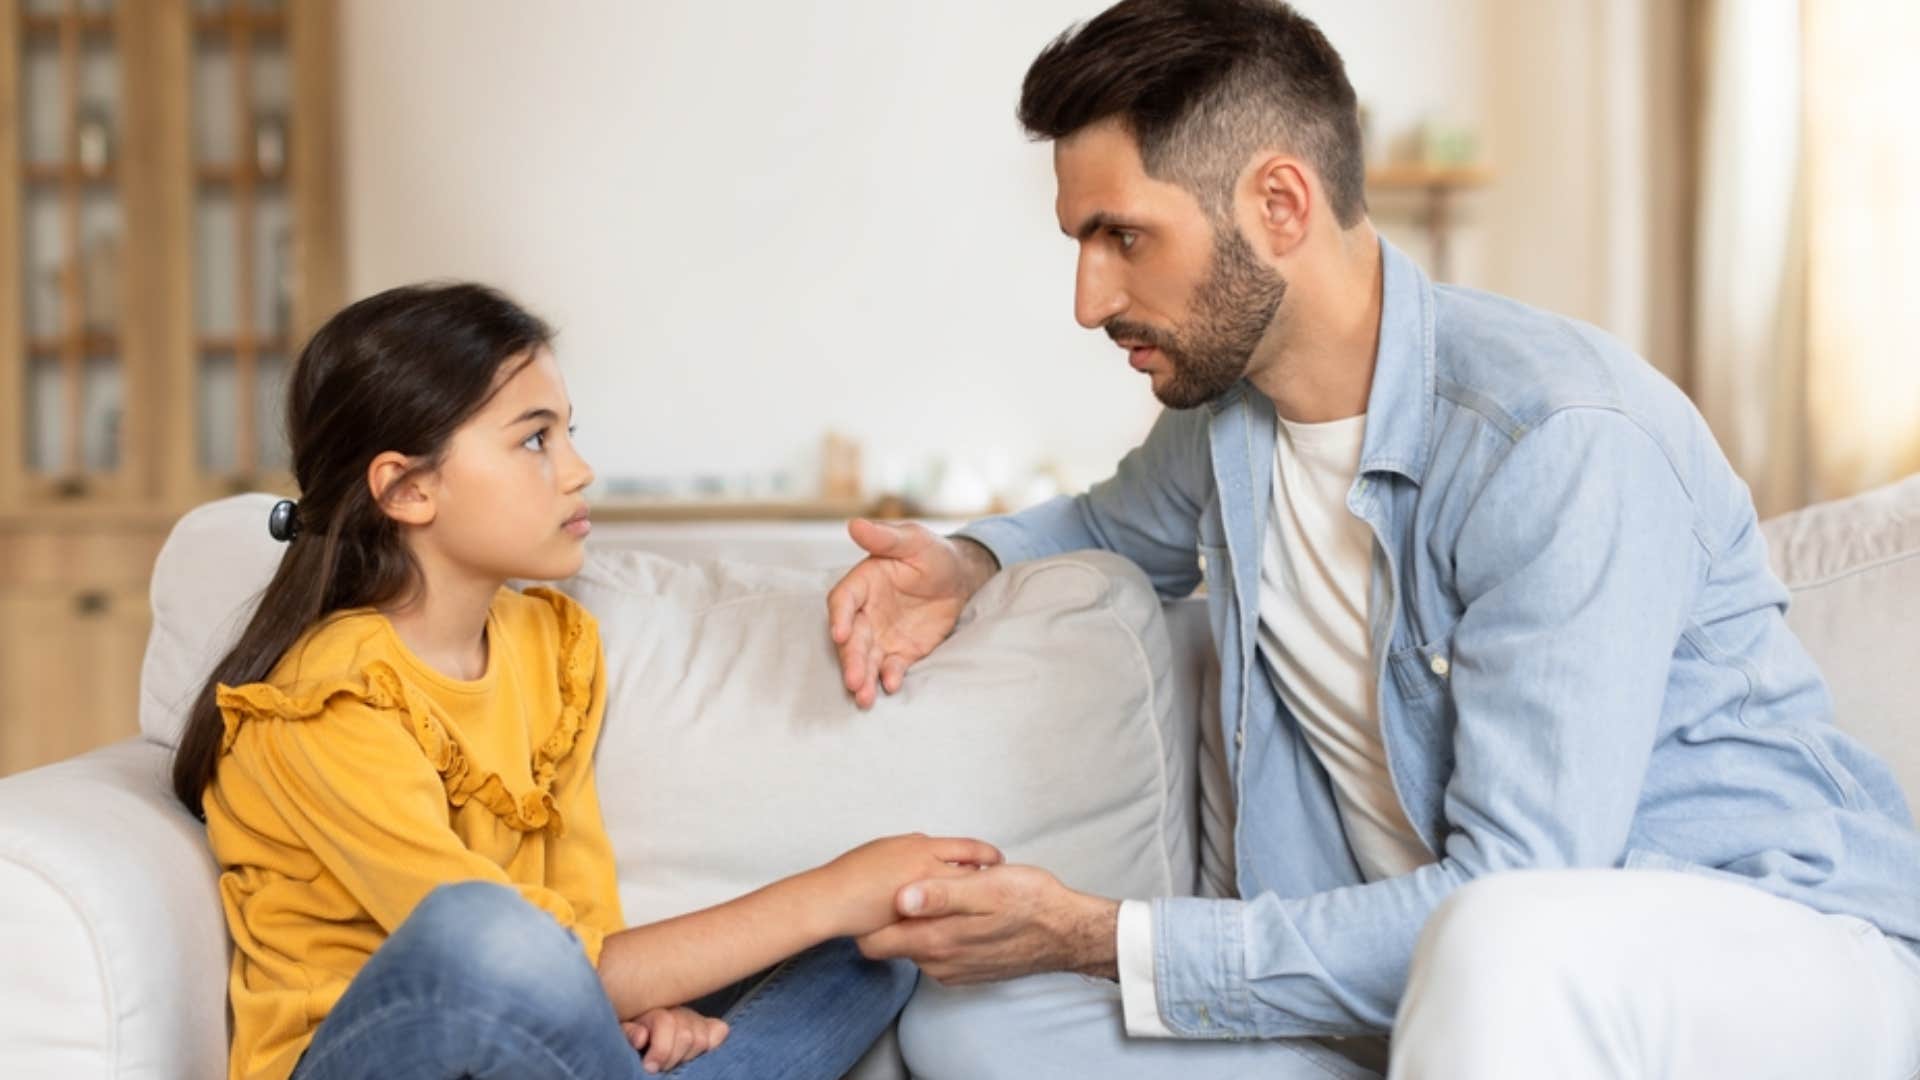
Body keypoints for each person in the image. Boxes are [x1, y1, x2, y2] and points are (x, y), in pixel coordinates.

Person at [824, 2, 1920, 1076]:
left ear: (1281, 203)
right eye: (1081, 242)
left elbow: (1523, 886)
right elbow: (1101, 525)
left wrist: (1102, 936)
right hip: (1440, 1007)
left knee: (1498, 940)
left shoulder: (1556, 442)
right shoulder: (1228, 424)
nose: (1087, 297)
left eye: (1123, 237)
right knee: (970, 1023)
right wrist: (966, 563)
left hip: (1755, 954)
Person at [171, 283, 1001, 1080]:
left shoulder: (548, 644)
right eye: (536, 440)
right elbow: (522, 964)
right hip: (381, 1054)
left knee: (872, 952)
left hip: (541, 1035)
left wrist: (625, 1011)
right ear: (409, 487)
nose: (578, 470)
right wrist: (829, 890)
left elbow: (581, 927)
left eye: (568, 434)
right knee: (485, 934)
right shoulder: (329, 701)